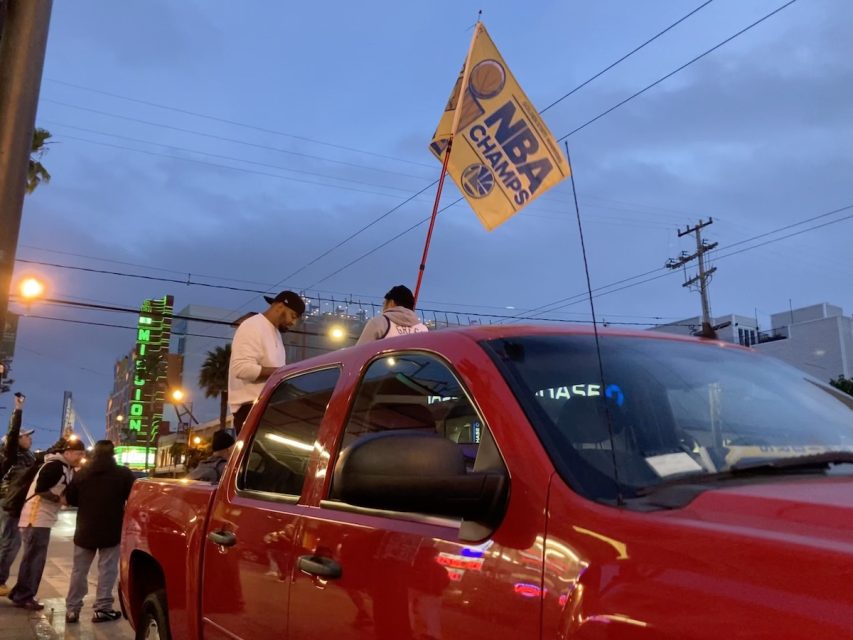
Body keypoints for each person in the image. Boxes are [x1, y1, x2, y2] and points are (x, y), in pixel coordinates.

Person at [8, 437, 85, 610]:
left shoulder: (67, 468)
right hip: (36, 518)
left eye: (82, 454)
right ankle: (24, 596)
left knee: (32, 558)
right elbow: (40, 490)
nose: (81, 457)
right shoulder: (55, 466)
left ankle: (20, 592)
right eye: (78, 453)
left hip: (42, 519)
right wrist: (60, 499)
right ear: (67, 453)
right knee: (34, 559)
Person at [64, 440, 135, 623]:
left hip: (85, 530)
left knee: (79, 571)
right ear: (113, 454)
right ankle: (102, 608)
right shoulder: (123, 474)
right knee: (107, 570)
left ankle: (73, 609)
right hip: (111, 529)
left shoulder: (82, 474)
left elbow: (71, 498)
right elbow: (132, 498)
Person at [229, 290, 305, 434]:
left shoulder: (275, 333)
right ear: (280, 306)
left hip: (267, 408)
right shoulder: (253, 325)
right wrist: (283, 373)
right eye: (293, 316)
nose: (293, 323)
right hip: (250, 409)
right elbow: (241, 368)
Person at [0, 393, 35, 597]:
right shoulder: (11, 454)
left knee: (11, 542)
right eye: (26, 436)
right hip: (9, 502)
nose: (29, 438)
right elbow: (12, 433)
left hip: (15, 502)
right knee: (9, 542)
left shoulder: (27, 456)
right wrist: (18, 409)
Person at [356, 285, 428, 345]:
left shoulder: (379, 323)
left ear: (391, 303)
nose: (383, 307)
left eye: (384, 303)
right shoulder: (423, 330)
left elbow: (359, 353)